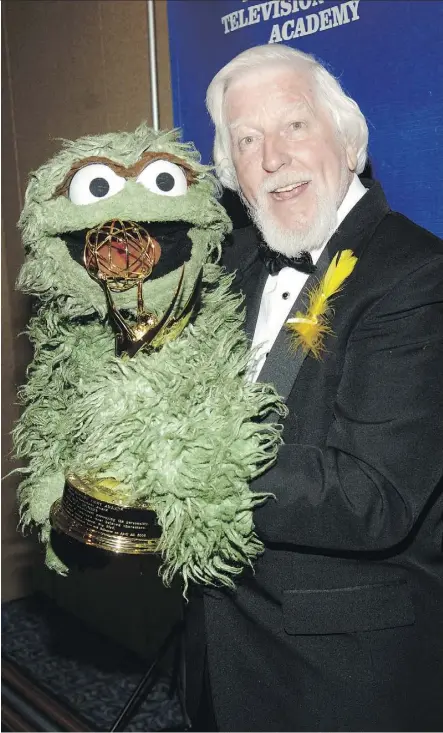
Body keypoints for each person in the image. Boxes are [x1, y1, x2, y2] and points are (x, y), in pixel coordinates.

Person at [185, 44, 443, 732]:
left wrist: (179, 463)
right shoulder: (232, 264)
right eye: (246, 139)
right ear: (232, 174)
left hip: (343, 677)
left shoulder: (417, 275)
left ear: (347, 140)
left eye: (293, 125)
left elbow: (370, 495)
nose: (271, 156)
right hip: (223, 643)